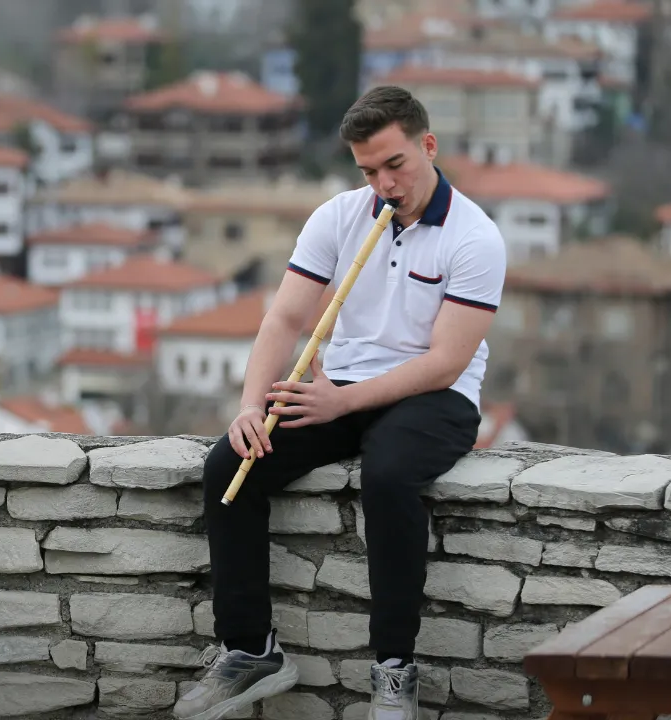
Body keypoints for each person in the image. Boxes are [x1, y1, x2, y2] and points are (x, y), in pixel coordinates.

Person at [173, 86, 506, 720]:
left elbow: (446, 361)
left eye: (395, 165)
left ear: (427, 146)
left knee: (386, 477)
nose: (383, 184)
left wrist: (343, 404)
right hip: (340, 388)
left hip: (434, 397)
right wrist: (250, 405)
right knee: (230, 467)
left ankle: (393, 669)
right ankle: (251, 650)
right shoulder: (337, 217)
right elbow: (284, 319)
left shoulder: (475, 237)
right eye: (369, 171)